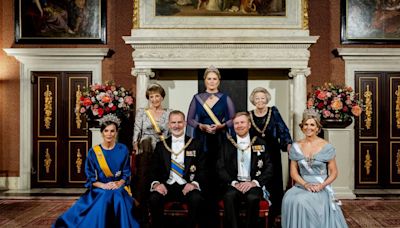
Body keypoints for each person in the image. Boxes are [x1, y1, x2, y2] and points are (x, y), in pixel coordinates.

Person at [53, 114, 139, 228]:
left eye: (112, 131)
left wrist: (118, 183)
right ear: (102, 132)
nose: (109, 134)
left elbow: (126, 173)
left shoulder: (122, 149)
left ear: (116, 132)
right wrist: (103, 185)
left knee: (117, 195)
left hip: (119, 187)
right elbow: (90, 177)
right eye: (106, 131)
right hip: (100, 188)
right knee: (105, 196)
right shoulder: (94, 152)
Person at [281, 109, 348, 228]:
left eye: (312, 124)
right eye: (306, 124)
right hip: (301, 185)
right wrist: (305, 184)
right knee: (289, 198)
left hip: (320, 187)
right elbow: (293, 172)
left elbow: (334, 172)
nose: (308, 127)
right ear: (302, 127)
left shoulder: (326, 147)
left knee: (302, 200)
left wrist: (322, 186)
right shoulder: (296, 147)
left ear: (317, 128)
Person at [186, 65, 236, 226]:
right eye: (209, 78)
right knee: (204, 173)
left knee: (219, 173)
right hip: (202, 139)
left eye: (215, 78)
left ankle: (219, 216)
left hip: (220, 139)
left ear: (219, 80)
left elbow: (233, 119)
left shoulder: (226, 98)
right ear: (205, 80)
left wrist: (221, 126)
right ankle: (204, 217)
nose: (212, 81)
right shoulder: (197, 98)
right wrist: (201, 126)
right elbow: (189, 119)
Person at [148, 110, 206, 228]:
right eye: (173, 122)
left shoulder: (196, 144)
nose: (176, 125)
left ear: (185, 123)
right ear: (169, 124)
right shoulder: (161, 145)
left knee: (196, 198)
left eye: (179, 122)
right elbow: (153, 169)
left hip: (187, 185)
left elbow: (203, 169)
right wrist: (156, 184)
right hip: (167, 185)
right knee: (154, 198)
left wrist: (194, 184)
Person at [217, 112, 273, 228]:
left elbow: (269, 168)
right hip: (234, 183)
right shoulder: (227, 144)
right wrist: (234, 182)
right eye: (236, 123)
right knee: (229, 196)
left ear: (249, 125)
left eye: (242, 122)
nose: (239, 125)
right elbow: (220, 167)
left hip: (253, 184)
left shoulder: (260, 143)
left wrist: (254, 183)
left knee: (252, 198)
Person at [248, 87, 292, 226]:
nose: (260, 101)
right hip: (255, 153)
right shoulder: (248, 115)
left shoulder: (273, 112)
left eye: (262, 98)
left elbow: (283, 130)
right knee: (257, 179)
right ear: (253, 100)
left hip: (272, 152)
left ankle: (274, 214)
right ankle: (257, 211)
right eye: (257, 98)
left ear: (267, 99)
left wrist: (288, 145)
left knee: (273, 181)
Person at [132, 83, 172, 226]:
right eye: (151, 97)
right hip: (145, 148)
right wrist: (136, 147)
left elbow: (171, 134)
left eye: (157, 96)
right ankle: (141, 213)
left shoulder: (169, 113)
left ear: (162, 97)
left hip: (162, 147)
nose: (154, 99)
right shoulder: (142, 112)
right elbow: (137, 132)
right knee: (144, 176)